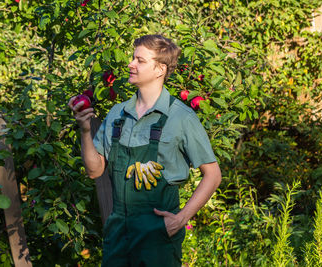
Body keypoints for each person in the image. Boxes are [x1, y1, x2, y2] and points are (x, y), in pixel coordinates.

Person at [69, 34, 222, 267]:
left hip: (158, 234)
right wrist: (85, 130)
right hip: (118, 232)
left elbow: (213, 174)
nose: (131, 64)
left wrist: (181, 219)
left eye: (139, 60)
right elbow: (94, 170)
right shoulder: (117, 114)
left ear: (160, 69)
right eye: (133, 58)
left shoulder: (181, 117)